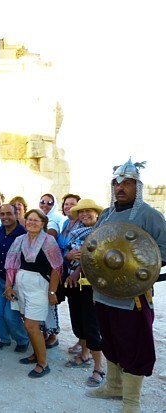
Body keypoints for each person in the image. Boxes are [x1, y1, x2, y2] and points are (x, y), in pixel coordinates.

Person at [86, 159, 166, 413]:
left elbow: (163, 251)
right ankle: (113, 385)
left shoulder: (150, 215)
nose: (121, 188)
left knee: (134, 345)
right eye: (117, 183)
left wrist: (140, 270)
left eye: (127, 183)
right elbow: (95, 246)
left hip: (133, 296)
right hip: (103, 292)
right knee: (110, 340)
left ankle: (132, 401)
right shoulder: (106, 215)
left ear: (137, 186)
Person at [4, 209, 63, 378]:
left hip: (39, 286)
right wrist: (9, 286)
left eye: (36, 220)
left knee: (32, 325)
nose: (32, 222)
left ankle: (43, 363)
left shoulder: (49, 241)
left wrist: (52, 291)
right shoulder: (20, 240)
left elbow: (56, 268)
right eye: (29, 219)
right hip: (21, 283)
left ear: (43, 223)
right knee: (27, 323)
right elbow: (11, 264)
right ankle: (36, 354)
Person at [62, 199, 105, 387]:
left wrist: (78, 270)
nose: (84, 214)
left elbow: (94, 258)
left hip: (92, 286)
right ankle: (85, 354)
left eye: (88, 211)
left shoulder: (102, 232)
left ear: (96, 213)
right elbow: (70, 253)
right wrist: (67, 256)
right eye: (81, 212)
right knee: (78, 321)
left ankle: (98, 368)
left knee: (92, 325)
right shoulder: (76, 231)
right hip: (74, 284)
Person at [0, 203, 29, 352]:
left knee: (10, 316)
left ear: (16, 214)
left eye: (8, 214)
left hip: (16, 282)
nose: (5, 217)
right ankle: (3, 338)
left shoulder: (23, 234)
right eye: (2, 214)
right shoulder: (0, 231)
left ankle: (22, 340)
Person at [57, 193, 82, 354]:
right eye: (66, 204)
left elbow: (81, 252)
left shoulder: (82, 225)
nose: (68, 207)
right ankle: (81, 340)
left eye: (72, 204)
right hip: (66, 270)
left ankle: (85, 345)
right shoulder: (66, 223)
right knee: (74, 308)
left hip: (78, 273)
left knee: (81, 310)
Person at [38, 192, 63, 348]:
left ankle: (53, 334)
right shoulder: (38, 217)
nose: (45, 205)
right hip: (39, 266)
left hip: (50, 266)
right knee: (40, 302)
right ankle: (44, 332)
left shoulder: (55, 220)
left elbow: (50, 239)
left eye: (49, 202)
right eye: (43, 201)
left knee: (50, 302)